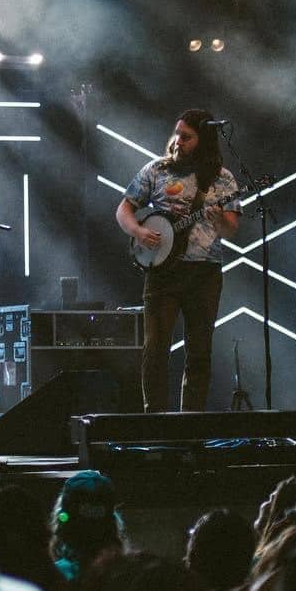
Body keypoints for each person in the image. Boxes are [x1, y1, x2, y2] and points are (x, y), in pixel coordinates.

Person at [116, 109, 240, 412]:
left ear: (203, 140)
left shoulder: (222, 179)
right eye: (177, 134)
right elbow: (124, 209)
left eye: (186, 137)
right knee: (156, 348)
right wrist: (139, 232)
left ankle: (191, 420)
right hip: (162, 273)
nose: (178, 141)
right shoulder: (156, 171)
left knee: (199, 351)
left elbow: (231, 229)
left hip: (204, 273)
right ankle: (155, 416)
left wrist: (218, 218)